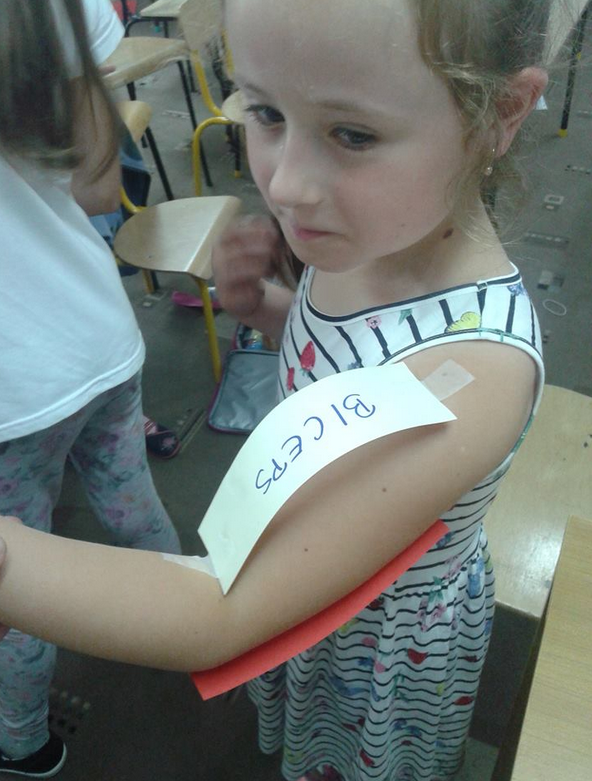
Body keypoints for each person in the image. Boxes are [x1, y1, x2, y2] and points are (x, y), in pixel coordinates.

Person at [0, 0, 551, 779]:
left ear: (502, 113)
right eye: (263, 111)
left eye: (351, 134)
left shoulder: (481, 371)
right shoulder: (372, 230)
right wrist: (270, 309)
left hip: (383, 640)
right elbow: (359, 374)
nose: (285, 185)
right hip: (310, 572)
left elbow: (221, 612)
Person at [0, 0, 181, 776]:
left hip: (13, 393)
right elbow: (102, 185)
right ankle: (182, 633)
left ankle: (21, 741)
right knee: (133, 508)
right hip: (95, 333)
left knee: (20, 584)